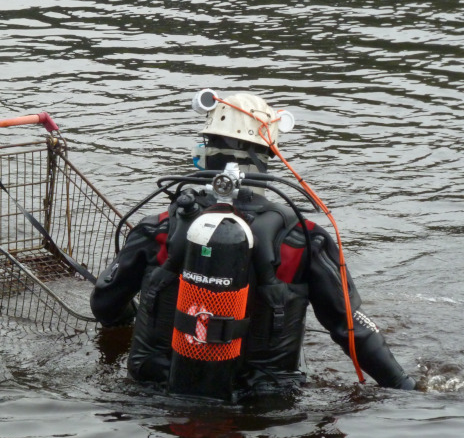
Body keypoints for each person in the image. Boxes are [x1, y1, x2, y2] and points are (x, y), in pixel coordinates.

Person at [90, 92, 416, 400]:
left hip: (157, 393)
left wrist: (132, 318)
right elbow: (352, 328)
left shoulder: (160, 227)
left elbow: (105, 302)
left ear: (206, 148)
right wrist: (404, 387)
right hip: (266, 400)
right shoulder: (302, 238)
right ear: (269, 154)